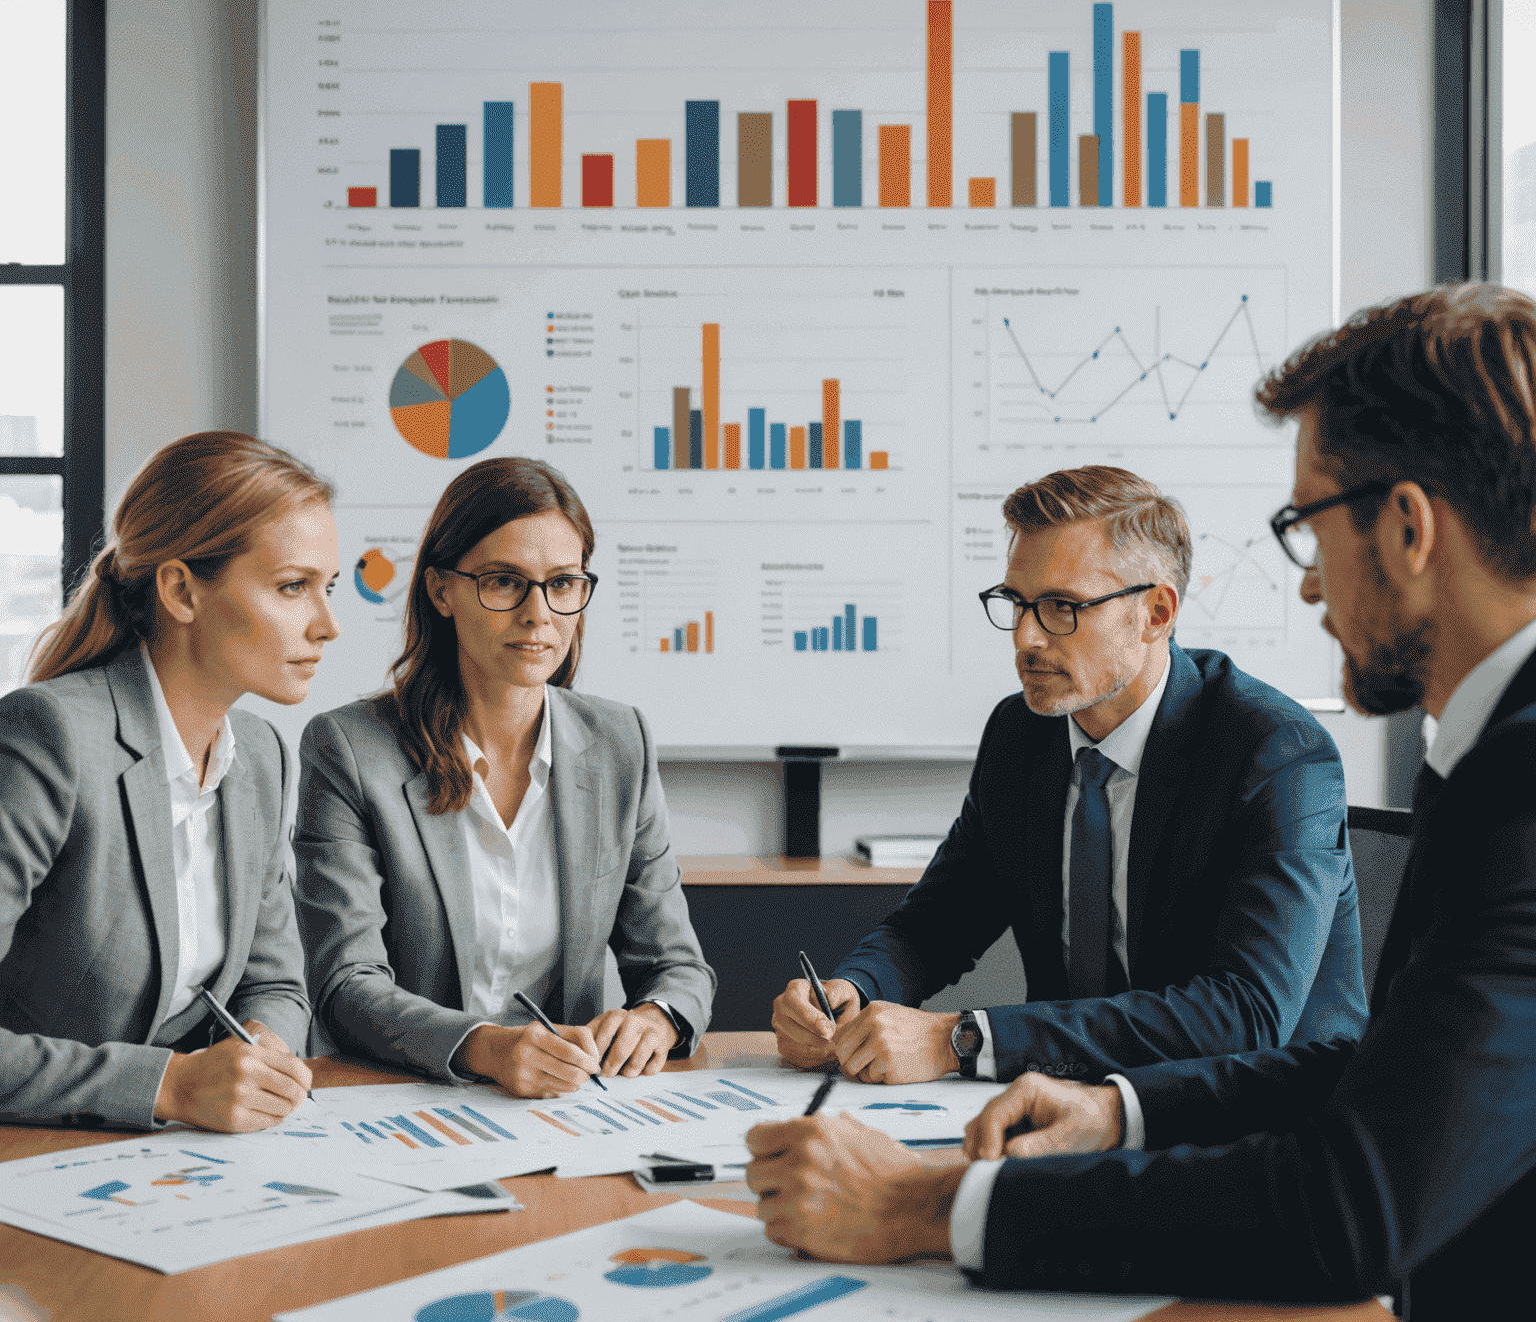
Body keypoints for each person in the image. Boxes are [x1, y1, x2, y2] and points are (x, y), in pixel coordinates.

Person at [744, 283, 1536, 1322]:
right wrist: (1111, 1107)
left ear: (1406, 525)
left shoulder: (1352, 760)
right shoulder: (1488, 755)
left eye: (1308, 525)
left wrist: (931, 1196)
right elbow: (1378, 1070)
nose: (1305, 582)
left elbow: (1332, 1157)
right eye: (1016, 605)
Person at [773, 466, 1365, 1086]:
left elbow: (1244, 1014)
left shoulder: (1275, 754)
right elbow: (940, 921)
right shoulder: (1021, 734)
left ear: (1156, 613)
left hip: (1254, 1125)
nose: (1026, 638)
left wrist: (965, 1039)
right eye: (1017, 603)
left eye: (1061, 607)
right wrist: (854, 989)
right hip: (1068, 1107)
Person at [295, 457, 715, 1097]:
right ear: (442, 591)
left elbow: (677, 966)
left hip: (569, 1101)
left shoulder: (620, 742)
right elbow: (345, 984)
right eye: (503, 582)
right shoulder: (350, 749)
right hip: (406, 1099)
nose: (538, 613)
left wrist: (657, 1017)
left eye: (563, 583)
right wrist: (484, 1048)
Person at [0, 432, 337, 1130]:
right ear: (182, 590)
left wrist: (262, 1054)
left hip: (173, 1164)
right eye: (293, 587)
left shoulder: (262, 757)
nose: (327, 625)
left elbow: (273, 981)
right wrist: (171, 1087)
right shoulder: (50, 737)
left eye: (325, 589)